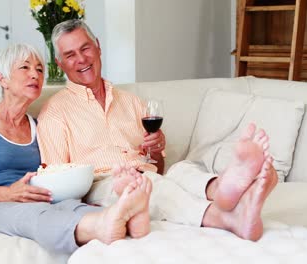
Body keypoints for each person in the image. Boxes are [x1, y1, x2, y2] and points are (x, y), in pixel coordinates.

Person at [37, 19, 278, 241]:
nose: (81, 59)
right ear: (59, 63)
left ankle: (222, 188)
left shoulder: (132, 103)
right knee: (149, 184)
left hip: (145, 174)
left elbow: (156, 167)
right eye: (70, 55)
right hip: (102, 185)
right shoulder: (55, 113)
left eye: (85, 48)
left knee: (181, 170)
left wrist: (156, 150)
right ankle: (227, 216)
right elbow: (58, 186)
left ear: (98, 47)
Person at [0, 43, 152, 254]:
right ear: (2, 79)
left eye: (40, 69)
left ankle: (130, 220)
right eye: (25, 67)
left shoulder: (38, 126)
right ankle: (103, 226)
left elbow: (53, 172)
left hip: (34, 202)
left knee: (70, 207)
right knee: (31, 216)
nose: (35, 75)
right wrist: (9, 193)